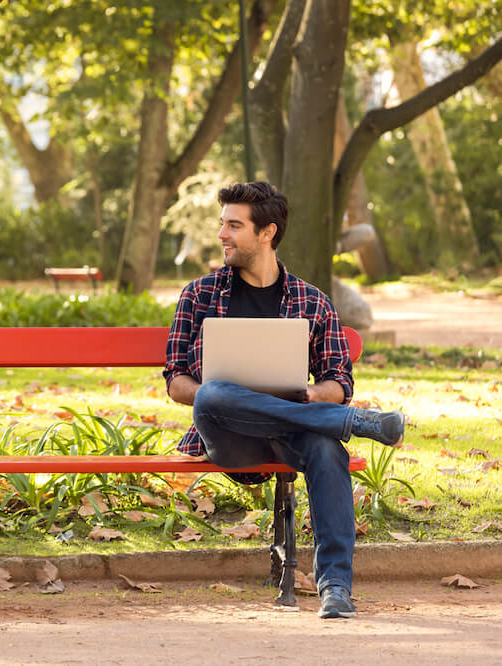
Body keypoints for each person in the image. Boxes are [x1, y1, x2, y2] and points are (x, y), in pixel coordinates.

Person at [163, 181, 404, 619]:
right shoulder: (198, 296)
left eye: (233, 226)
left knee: (328, 450)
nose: (222, 235)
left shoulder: (313, 302)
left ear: (266, 233)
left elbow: (338, 383)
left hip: (293, 435)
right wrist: (227, 398)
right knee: (213, 393)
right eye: (223, 224)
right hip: (228, 436)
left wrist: (310, 395)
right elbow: (177, 382)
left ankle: (335, 588)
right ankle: (348, 423)